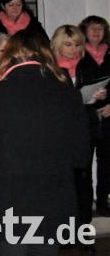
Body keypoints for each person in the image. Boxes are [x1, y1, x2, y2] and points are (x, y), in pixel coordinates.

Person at [0, 30, 90, 256]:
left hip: (9, 206)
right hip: (52, 207)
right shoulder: (68, 94)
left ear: (9, 56)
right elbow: (81, 156)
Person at [51, 25, 104, 251]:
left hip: (84, 130)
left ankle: (84, 231)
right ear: (57, 45)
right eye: (68, 44)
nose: (73, 50)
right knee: (62, 185)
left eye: (77, 45)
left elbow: (96, 97)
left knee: (83, 183)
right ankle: (63, 232)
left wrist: (100, 97)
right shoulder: (49, 69)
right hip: (59, 134)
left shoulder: (87, 67)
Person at [79, 16, 110, 216]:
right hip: (85, 114)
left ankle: (103, 202)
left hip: (107, 112)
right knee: (84, 163)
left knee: (106, 161)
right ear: (85, 32)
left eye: (100, 29)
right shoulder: (79, 54)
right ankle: (85, 206)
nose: (96, 32)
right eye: (92, 29)